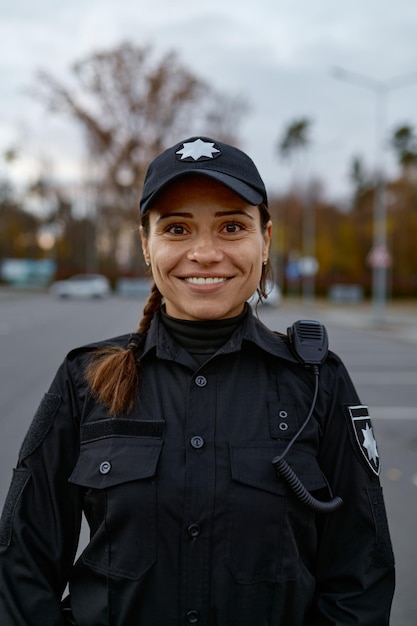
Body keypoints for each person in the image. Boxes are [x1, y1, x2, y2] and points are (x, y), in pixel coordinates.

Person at [0, 136, 395, 626]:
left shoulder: (318, 381)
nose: (205, 253)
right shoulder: (85, 380)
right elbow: (21, 569)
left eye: (231, 226)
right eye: (177, 228)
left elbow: (361, 575)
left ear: (265, 239)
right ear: (146, 245)